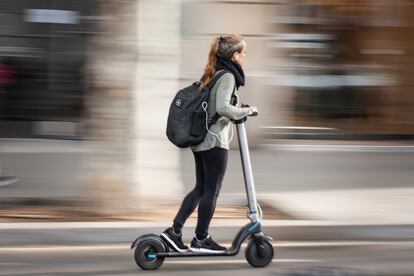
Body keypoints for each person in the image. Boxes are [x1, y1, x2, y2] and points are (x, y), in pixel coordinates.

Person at [161, 34, 258, 253]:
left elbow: (217, 105)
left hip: (202, 140)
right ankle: (201, 239)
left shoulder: (215, 71)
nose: (245, 57)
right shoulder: (228, 77)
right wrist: (246, 111)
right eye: (243, 53)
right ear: (234, 56)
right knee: (210, 191)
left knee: (200, 189)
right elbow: (223, 108)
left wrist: (238, 108)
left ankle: (174, 232)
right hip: (214, 142)